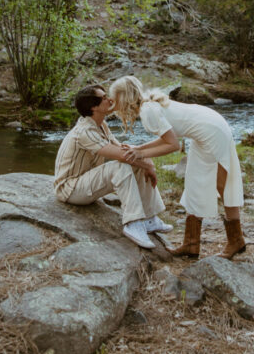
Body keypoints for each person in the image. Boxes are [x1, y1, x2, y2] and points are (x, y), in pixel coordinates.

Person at [109, 75, 245, 259]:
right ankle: (191, 244)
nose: (111, 103)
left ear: (123, 98)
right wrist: (138, 148)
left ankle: (236, 241)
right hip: (204, 130)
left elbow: (173, 145)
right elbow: (168, 136)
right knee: (194, 182)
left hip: (212, 130)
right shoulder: (148, 108)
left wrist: (142, 154)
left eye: (113, 99)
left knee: (223, 185)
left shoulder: (148, 111)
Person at [54, 84, 172, 249]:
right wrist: (149, 165)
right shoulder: (85, 131)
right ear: (93, 107)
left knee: (135, 163)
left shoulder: (101, 125)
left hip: (85, 182)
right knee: (121, 166)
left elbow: (123, 149)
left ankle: (149, 218)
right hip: (70, 189)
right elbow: (121, 156)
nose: (110, 99)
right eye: (104, 98)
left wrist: (146, 162)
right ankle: (133, 223)